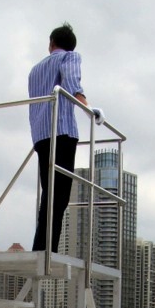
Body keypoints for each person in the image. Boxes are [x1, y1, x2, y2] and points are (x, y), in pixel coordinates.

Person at [28, 22, 104, 252]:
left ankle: (42, 248)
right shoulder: (70, 57)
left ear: (51, 43)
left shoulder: (35, 70)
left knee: (49, 193)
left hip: (41, 135)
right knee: (59, 197)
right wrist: (90, 110)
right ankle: (46, 250)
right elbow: (72, 85)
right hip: (61, 132)